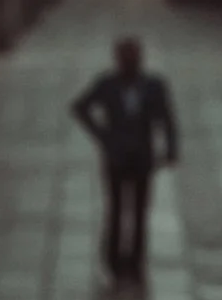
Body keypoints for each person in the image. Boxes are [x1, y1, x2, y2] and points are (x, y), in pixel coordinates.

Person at [69, 33, 178, 283]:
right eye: (125, 57)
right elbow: (80, 107)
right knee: (116, 209)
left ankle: (136, 261)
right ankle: (114, 260)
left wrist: (171, 149)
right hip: (116, 157)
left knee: (140, 211)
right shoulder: (107, 84)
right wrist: (102, 135)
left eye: (134, 57)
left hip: (142, 157)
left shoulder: (153, 86)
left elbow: (167, 119)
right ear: (118, 59)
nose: (130, 62)